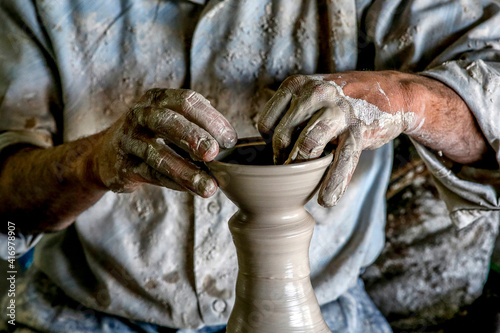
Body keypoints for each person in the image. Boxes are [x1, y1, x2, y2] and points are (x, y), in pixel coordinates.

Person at [0, 0, 499, 332]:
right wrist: (92, 163)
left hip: (323, 306)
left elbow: (490, 96)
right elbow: (6, 204)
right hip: (93, 309)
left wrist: (405, 98)